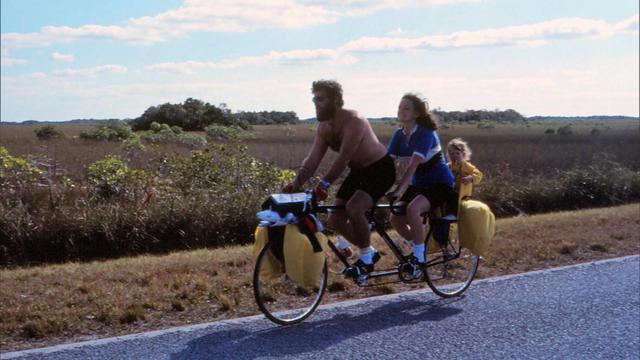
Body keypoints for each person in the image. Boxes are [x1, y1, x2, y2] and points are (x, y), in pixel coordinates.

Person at [284, 80, 396, 278]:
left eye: (321, 99)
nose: (316, 103)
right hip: (358, 171)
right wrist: (296, 183)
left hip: (380, 169)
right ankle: (368, 251)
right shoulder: (324, 128)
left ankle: (365, 260)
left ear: (335, 100)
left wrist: (325, 184)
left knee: (354, 208)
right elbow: (312, 159)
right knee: (335, 218)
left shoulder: (355, 120)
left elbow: (344, 157)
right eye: (314, 98)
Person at [386, 93, 454, 266]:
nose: (401, 111)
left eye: (406, 108)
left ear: (416, 114)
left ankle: (419, 256)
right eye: (400, 107)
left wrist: (398, 190)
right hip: (420, 184)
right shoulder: (399, 134)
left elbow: (413, 167)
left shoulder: (425, 133)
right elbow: (386, 164)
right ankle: (418, 245)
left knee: (413, 209)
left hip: (440, 183)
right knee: (395, 218)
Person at [445, 137, 483, 215]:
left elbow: (478, 174)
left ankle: (451, 214)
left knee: (453, 197)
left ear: (463, 154)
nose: (454, 156)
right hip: (450, 189)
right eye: (452, 154)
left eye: (457, 153)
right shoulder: (448, 166)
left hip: (462, 193)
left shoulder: (466, 166)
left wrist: (471, 177)